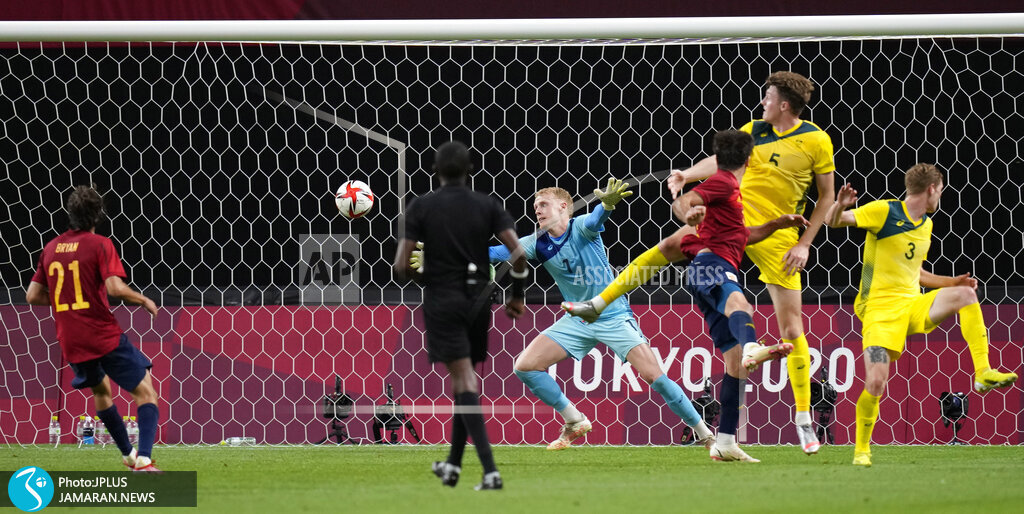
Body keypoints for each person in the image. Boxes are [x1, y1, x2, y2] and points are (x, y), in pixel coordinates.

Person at [564, 71, 835, 454]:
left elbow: (826, 197)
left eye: (769, 97)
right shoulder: (754, 129)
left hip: (776, 234)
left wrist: (805, 244)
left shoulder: (817, 141)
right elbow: (723, 163)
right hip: (732, 219)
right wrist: (686, 174)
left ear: (785, 104)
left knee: (791, 327)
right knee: (671, 244)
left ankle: (803, 419)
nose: (763, 102)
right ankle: (600, 302)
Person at [487, 178, 718, 451]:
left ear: (563, 207)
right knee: (525, 366)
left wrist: (606, 206)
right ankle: (574, 420)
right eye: (536, 206)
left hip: (612, 315)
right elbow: (495, 252)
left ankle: (705, 435)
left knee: (655, 377)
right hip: (577, 318)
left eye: (544, 204)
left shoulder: (580, 227)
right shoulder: (535, 243)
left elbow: (596, 219)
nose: (537, 210)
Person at [824, 163, 1017, 467]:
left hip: (912, 304)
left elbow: (916, 273)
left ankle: (983, 372)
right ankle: (862, 449)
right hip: (879, 311)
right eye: (940, 191)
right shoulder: (885, 211)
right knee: (876, 382)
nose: (940, 196)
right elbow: (832, 221)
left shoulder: (926, 224)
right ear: (931, 189)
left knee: (966, 295)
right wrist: (840, 205)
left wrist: (953, 282)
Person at [393, 140, 527, 491]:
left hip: (444, 301)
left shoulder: (421, 207)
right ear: (470, 170)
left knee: (464, 381)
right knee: (463, 381)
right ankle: (452, 466)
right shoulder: (487, 205)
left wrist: (429, 278)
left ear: (434, 171)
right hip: (480, 300)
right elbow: (518, 254)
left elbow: (401, 266)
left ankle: (490, 471)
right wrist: (516, 295)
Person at [25, 185, 163, 473]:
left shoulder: (51, 249)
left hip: (71, 340)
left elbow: (32, 296)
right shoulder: (100, 244)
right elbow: (114, 288)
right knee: (147, 392)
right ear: (98, 215)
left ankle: (128, 456)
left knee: (101, 391)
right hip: (101, 334)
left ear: (70, 213)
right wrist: (143, 299)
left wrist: (67, 301)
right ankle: (144, 459)